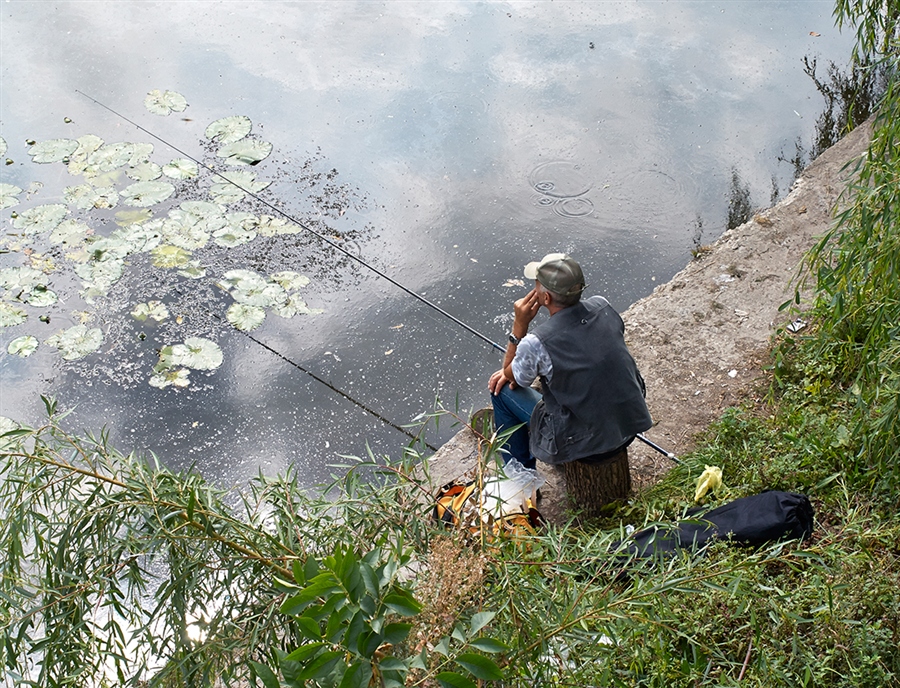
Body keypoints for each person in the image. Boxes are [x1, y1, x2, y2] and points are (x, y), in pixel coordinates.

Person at [488, 253, 652, 470]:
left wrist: (519, 326)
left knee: (500, 391)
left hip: (587, 445)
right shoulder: (602, 306)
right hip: (630, 424)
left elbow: (511, 378)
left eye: (537, 286)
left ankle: (520, 475)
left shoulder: (536, 343)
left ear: (545, 298)